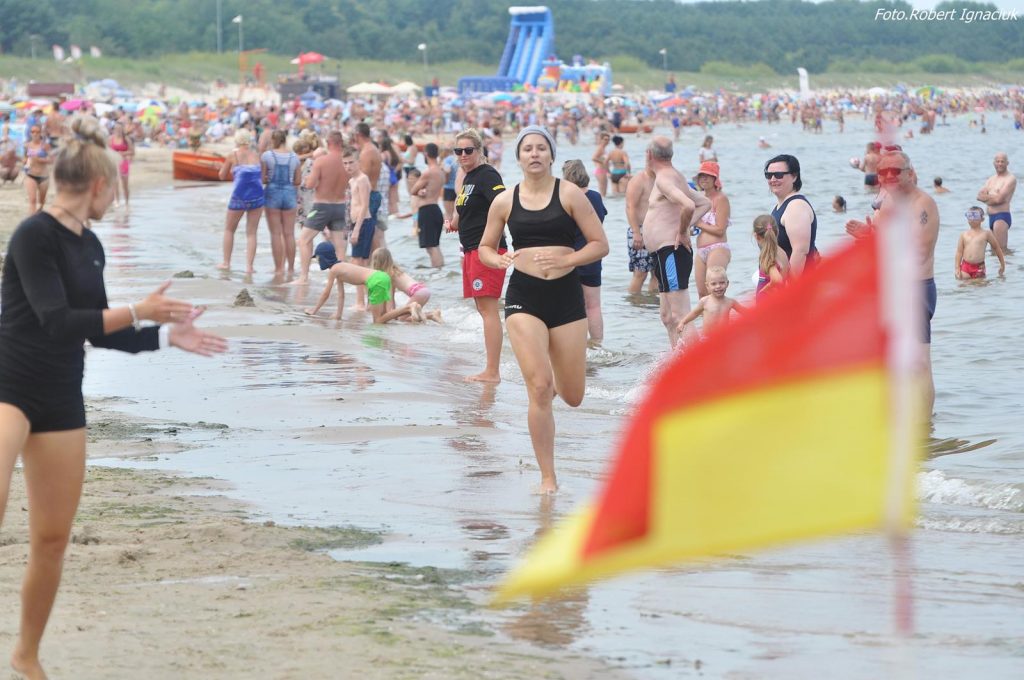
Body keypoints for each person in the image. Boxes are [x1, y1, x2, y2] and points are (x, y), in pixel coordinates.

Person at [0, 115, 227, 680]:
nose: (114, 198)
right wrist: (137, 309)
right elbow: (56, 321)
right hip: (9, 386)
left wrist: (165, 335)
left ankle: (26, 656)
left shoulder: (92, 245)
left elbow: (98, 331)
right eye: (114, 188)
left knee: (52, 539)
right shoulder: (33, 234)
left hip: (60, 397)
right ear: (99, 185)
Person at [478, 126, 609, 493]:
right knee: (538, 387)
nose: (534, 154)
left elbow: (600, 244)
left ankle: (553, 380)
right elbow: (485, 247)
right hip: (524, 296)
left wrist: (568, 259)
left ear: (551, 155)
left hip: (566, 298)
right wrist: (498, 259)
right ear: (518, 157)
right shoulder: (505, 201)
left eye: (540, 148)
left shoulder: (569, 194)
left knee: (573, 396)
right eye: (527, 149)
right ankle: (548, 477)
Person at [846, 150, 940, 414]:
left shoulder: (922, 204)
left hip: (915, 289)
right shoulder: (887, 202)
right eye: (883, 172)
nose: (889, 176)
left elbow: (917, 250)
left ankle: (925, 424)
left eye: (895, 171)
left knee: (919, 363)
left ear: (910, 172)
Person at [446, 128, 508, 383]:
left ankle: (493, 371)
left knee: (488, 309)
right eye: (458, 151)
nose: (463, 155)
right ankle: (490, 369)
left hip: (487, 250)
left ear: (479, 150)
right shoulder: (468, 178)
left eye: (468, 150)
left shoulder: (487, 174)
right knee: (482, 308)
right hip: (471, 249)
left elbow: (503, 204)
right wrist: (453, 224)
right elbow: (464, 213)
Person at [643, 137, 711, 346]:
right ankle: (677, 358)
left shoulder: (664, 179)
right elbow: (705, 202)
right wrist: (685, 227)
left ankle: (699, 360)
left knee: (680, 315)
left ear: (649, 155)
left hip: (671, 251)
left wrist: (682, 231)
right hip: (663, 253)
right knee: (667, 316)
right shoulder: (674, 176)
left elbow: (689, 205)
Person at [292, 131, 350, 285]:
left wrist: (308, 179)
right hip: (340, 205)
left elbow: (310, 184)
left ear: (328, 143)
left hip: (321, 206)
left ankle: (304, 277)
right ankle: (339, 279)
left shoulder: (321, 161)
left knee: (303, 240)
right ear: (341, 143)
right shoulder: (347, 162)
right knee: (340, 246)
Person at [562, 159, 608, 343]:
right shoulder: (595, 197)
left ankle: (573, 345)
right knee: (594, 306)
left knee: (570, 305)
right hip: (593, 257)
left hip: (569, 257)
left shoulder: (565, 197)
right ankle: (597, 344)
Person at [304, 258, 415, 324]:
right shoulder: (340, 266)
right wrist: (338, 314)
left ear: (322, 258)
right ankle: (417, 311)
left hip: (376, 281)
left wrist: (314, 310)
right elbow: (341, 295)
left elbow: (326, 293)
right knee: (384, 317)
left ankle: (409, 307)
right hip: (382, 276)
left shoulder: (334, 270)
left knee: (378, 320)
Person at [217, 129, 265, 273]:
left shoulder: (233, 155)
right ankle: (249, 267)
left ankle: (226, 263)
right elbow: (261, 177)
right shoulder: (257, 155)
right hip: (257, 196)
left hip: (239, 196)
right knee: (252, 233)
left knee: (229, 229)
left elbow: (221, 176)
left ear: (237, 140)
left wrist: (229, 170)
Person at [765, 153, 819, 276]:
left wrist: (790, 285)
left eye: (779, 175)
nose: (773, 179)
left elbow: (800, 252)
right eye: (768, 175)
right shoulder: (781, 206)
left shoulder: (796, 206)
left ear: (794, 176)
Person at [261, 129, 301, 277]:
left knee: (276, 234)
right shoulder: (294, 157)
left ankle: (279, 269)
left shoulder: (267, 156)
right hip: (289, 194)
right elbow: (298, 181)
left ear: (273, 140)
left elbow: (262, 179)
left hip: (272, 194)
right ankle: (291, 269)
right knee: (289, 234)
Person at [369, 248, 441, 323]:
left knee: (402, 319)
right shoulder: (396, 270)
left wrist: (391, 315)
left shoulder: (388, 276)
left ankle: (431, 315)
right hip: (423, 290)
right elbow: (392, 299)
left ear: (376, 262)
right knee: (411, 315)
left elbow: (390, 300)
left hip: (418, 293)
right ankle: (431, 315)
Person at [692, 161, 731, 298]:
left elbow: (720, 230)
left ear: (715, 179)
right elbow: (695, 226)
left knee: (714, 293)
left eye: (708, 176)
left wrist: (698, 223)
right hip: (700, 250)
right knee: (702, 294)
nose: (704, 178)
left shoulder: (721, 199)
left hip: (717, 248)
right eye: (701, 175)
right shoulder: (699, 198)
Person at [676, 266, 745, 340]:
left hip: (724, 338)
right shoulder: (705, 301)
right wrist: (683, 322)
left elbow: (745, 312)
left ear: (727, 283)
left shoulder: (730, 302)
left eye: (722, 283)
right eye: (713, 284)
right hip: (707, 339)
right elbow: (695, 313)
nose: (718, 286)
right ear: (707, 286)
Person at [343, 145, 374, 308]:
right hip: (356, 223)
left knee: (359, 263)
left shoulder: (362, 179)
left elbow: (364, 205)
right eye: (345, 163)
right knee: (358, 263)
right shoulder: (351, 180)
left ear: (358, 162)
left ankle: (361, 302)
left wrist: (356, 230)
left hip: (363, 223)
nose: (348, 166)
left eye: (351, 162)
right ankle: (364, 302)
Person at [624, 160, 658, 295]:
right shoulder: (638, 180)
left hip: (658, 231)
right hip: (640, 230)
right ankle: (634, 304)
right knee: (640, 273)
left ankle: (652, 304)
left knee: (657, 273)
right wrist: (636, 233)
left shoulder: (662, 179)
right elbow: (630, 207)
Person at [410, 142, 445, 268]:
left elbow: (413, 190)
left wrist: (419, 191)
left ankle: (436, 273)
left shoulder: (428, 172)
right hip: (436, 209)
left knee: (430, 247)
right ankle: (440, 272)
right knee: (435, 245)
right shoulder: (440, 172)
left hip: (427, 210)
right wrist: (421, 191)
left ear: (426, 154)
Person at [976, 152, 1016, 253]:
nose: (1000, 164)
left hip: (1001, 217)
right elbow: (979, 196)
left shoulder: (1010, 179)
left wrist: (987, 197)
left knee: (1001, 251)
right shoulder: (991, 179)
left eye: (1002, 161)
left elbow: (999, 199)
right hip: (991, 217)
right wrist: (993, 197)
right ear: (994, 163)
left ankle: (1009, 263)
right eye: (998, 161)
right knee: (993, 252)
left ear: (1007, 163)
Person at [955, 206, 1006, 279]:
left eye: (975, 216)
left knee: (979, 284)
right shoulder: (963, 235)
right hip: (965, 266)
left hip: (979, 267)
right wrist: (957, 268)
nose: (972, 219)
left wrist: (1002, 265)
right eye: (970, 216)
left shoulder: (986, 234)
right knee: (963, 283)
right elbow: (959, 252)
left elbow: (997, 248)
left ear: (982, 219)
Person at [753, 214, 788, 297]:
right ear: (777, 232)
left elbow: (777, 280)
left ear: (756, 236)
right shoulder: (782, 252)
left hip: (767, 300)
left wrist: (764, 290)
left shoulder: (767, 255)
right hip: (780, 297)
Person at [22, 125, 51, 214]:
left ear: (41, 133)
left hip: (44, 176)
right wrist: (25, 161)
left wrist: (40, 160)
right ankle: (32, 219)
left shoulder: (45, 146)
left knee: (41, 202)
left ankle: (39, 211)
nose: (35, 134)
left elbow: (52, 159)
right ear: (30, 133)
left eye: (37, 132)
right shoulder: (27, 145)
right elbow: (24, 158)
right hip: (31, 175)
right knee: (32, 201)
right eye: (33, 131)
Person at [108, 122, 134, 206]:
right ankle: (117, 201)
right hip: (114, 162)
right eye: (116, 128)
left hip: (124, 162)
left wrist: (122, 153)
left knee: (124, 184)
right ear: (113, 129)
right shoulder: (110, 139)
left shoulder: (126, 139)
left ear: (122, 129)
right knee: (115, 182)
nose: (118, 130)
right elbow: (107, 150)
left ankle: (127, 203)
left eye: (119, 128)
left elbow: (132, 151)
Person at [591, 131, 610, 197]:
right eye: (605, 139)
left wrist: (608, 171)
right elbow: (593, 158)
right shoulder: (600, 148)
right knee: (603, 193)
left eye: (608, 140)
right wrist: (603, 162)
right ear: (601, 140)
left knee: (604, 193)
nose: (607, 141)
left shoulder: (603, 149)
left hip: (603, 171)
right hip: (600, 171)